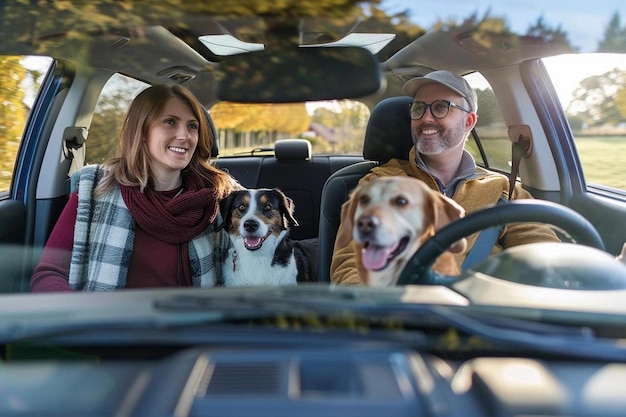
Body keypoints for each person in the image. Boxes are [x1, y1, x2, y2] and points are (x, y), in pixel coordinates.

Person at [331, 70, 560, 285]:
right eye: (418, 108)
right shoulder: (379, 183)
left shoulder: (503, 190)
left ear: (469, 122)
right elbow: (349, 268)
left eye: (441, 107)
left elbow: (549, 260)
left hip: (485, 317)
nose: (426, 118)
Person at [31, 84, 239, 291]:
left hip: (196, 321)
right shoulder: (94, 188)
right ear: (142, 131)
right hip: (111, 322)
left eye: (192, 126)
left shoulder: (221, 195)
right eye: (169, 122)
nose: (184, 135)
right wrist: (83, 319)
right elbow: (49, 273)